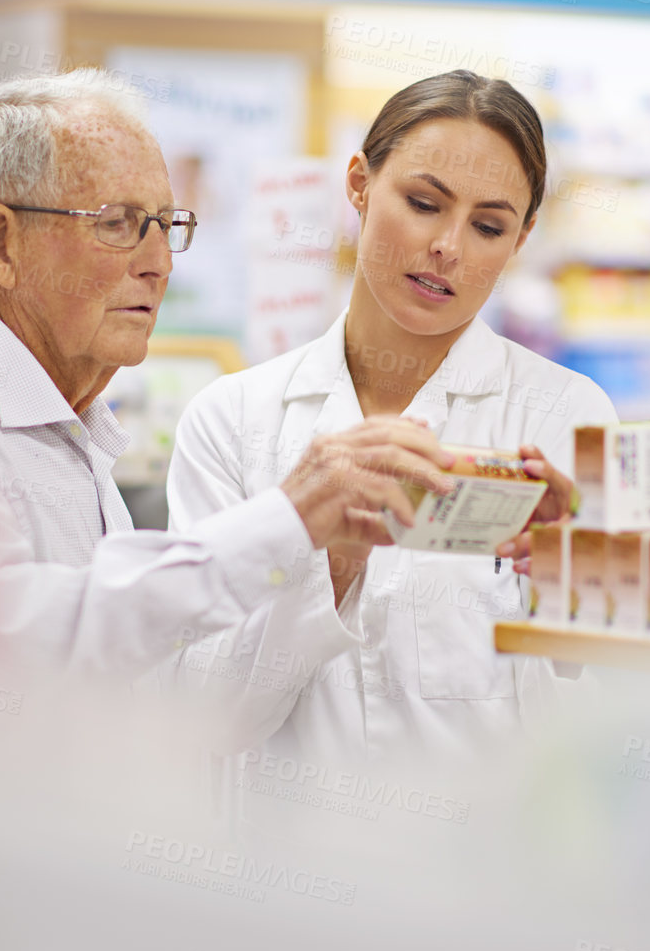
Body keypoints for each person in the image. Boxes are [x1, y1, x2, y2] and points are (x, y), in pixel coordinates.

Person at [0, 72, 455, 680]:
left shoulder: (68, 426)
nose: (158, 264)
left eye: (166, 225)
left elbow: (156, 693)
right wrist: (286, 521)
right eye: (118, 225)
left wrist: (336, 556)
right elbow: (5, 653)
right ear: (1, 244)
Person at [163, 69, 616, 765]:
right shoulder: (232, 420)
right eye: (423, 202)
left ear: (520, 239)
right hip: (283, 859)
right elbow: (199, 717)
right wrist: (333, 558)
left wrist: (571, 589)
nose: (449, 247)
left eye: (488, 225)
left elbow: (602, 727)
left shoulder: (565, 414)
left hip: (485, 862)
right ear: (358, 184)